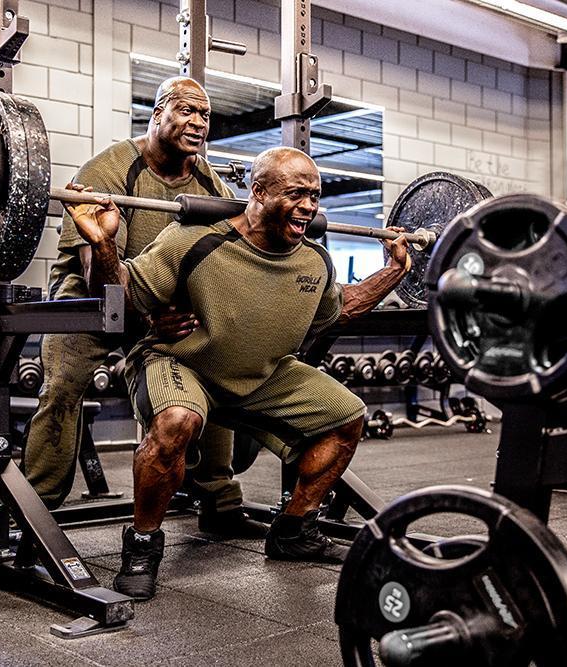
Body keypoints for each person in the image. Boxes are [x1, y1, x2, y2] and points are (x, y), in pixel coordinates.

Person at [65, 145, 412, 600]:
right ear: (258, 191)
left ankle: (293, 529)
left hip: (259, 375)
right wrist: (104, 243)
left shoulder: (314, 261)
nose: (309, 206)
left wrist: (393, 272)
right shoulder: (192, 240)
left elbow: (339, 308)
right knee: (176, 423)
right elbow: (125, 302)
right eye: (296, 194)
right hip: (179, 361)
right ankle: (143, 545)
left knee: (346, 416)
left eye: (315, 196)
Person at [24, 76, 265, 538]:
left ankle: (218, 500)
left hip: (160, 301)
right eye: (186, 110)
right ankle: (38, 506)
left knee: (211, 365)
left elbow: (219, 262)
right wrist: (152, 318)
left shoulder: (208, 183)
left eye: (205, 115)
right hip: (90, 297)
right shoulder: (109, 171)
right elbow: (99, 273)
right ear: (157, 115)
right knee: (62, 383)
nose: (198, 122)